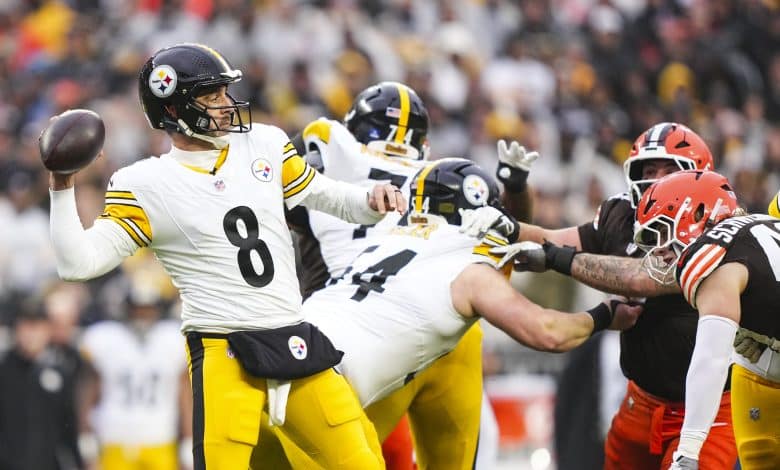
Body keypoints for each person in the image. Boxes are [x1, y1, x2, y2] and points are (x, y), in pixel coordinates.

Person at [47, 43, 406, 470]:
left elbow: (324, 195)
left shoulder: (266, 145)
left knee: (363, 464)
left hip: (292, 337)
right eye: (212, 96)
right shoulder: (144, 183)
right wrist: (61, 184)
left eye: (223, 93)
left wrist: (370, 198)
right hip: (224, 349)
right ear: (176, 108)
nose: (225, 105)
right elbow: (78, 264)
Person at [270, 157, 642, 469]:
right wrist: (606, 314)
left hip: (275, 353)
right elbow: (548, 331)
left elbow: (535, 242)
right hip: (320, 379)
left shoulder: (386, 237)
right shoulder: (469, 271)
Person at [287, 81, 537, 469]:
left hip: (363, 338)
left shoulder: (326, 151)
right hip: (450, 337)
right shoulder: (440, 179)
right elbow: (513, 233)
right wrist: (515, 188)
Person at [478, 123, 738, 469]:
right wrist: (491, 223)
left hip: (712, 405)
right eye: (649, 170)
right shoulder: (621, 216)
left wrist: (559, 259)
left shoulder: (717, 225)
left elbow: (639, 279)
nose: (657, 180)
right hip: (642, 398)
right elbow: (549, 237)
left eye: (669, 169)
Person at [630, 170, 780, 470]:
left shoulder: (711, 252)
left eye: (662, 231)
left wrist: (687, 451)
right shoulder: (766, 221)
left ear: (698, 214)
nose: (659, 249)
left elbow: (711, 358)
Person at [78, 277, 191, 470]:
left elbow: (184, 395)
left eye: (147, 309)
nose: (142, 315)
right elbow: (90, 389)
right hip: (115, 439)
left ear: (157, 310)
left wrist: (188, 440)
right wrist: (86, 436)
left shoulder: (172, 338)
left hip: (160, 438)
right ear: (127, 310)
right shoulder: (106, 338)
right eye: (137, 309)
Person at [0, 299, 82, 470]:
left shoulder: (60, 371)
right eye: (26, 327)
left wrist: (79, 463)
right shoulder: (4, 368)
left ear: (47, 330)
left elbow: (69, 426)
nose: (31, 334)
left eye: (37, 327)